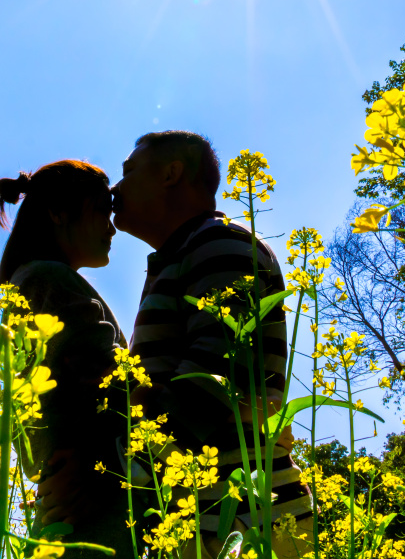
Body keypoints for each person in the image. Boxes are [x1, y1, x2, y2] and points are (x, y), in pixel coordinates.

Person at [110, 131, 314, 557]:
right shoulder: (187, 251)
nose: (115, 187)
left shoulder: (218, 242)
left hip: (242, 515)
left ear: (171, 174)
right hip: (206, 511)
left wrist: (116, 476)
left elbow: (213, 385)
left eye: (128, 172)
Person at [0, 160, 133, 558]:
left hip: (70, 492)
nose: (112, 227)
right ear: (58, 213)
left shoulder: (33, 279)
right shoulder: (47, 279)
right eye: (102, 210)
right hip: (91, 495)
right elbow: (114, 379)